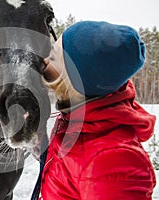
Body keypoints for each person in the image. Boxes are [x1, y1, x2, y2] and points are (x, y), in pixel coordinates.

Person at [40, 21, 157, 200]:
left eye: (54, 58)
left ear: (75, 79)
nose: (44, 61)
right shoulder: (80, 120)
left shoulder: (112, 160)